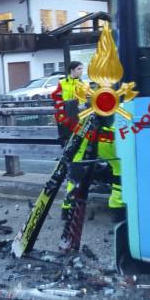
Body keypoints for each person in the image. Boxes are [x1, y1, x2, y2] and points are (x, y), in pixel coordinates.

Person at [53, 61, 125, 251]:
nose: (81, 71)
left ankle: (68, 206)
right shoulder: (68, 84)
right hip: (98, 131)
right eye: (78, 69)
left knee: (77, 165)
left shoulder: (88, 86)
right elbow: (60, 103)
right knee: (118, 170)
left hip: (86, 127)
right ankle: (117, 209)